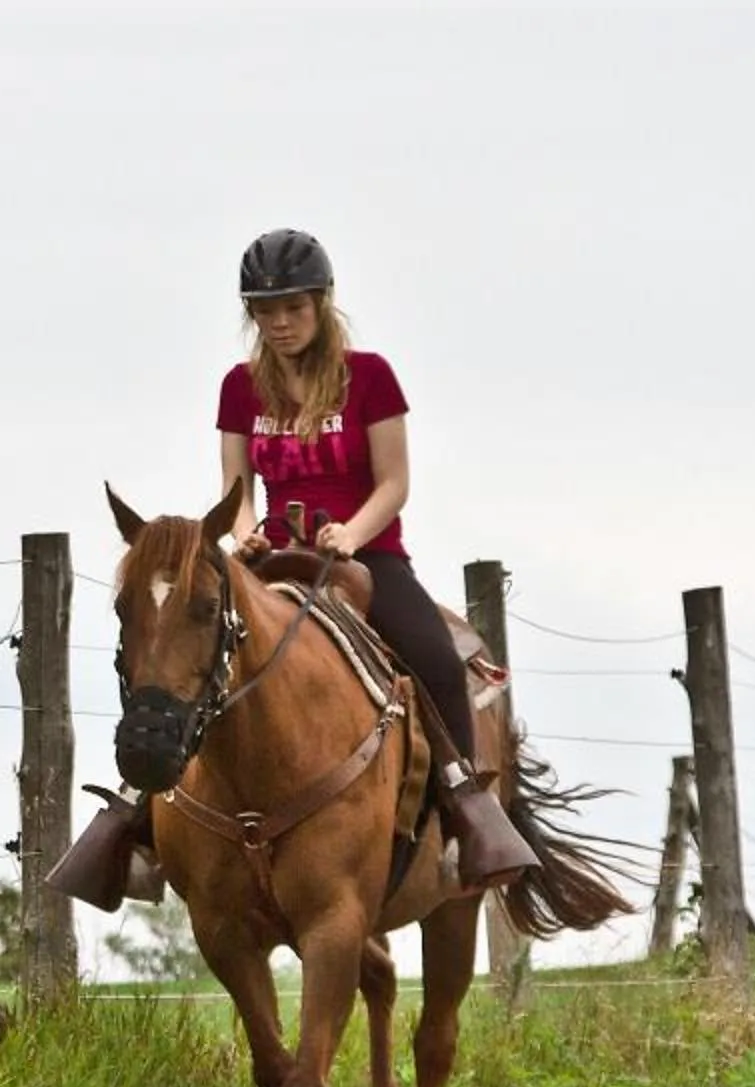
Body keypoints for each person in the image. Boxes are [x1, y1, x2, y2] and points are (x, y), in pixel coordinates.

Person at [53, 227, 537, 907]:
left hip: (365, 557)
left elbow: (394, 482)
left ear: (323, 303)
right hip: (274, 556)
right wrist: (245, 538)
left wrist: (353, 533)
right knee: (184, 657)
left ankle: (465, 818)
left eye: (293, 309)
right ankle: (139, 823)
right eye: (264, 311)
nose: (279, 324)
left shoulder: (370, 378)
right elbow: (237, 489)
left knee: (432, 657)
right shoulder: (240, 388)